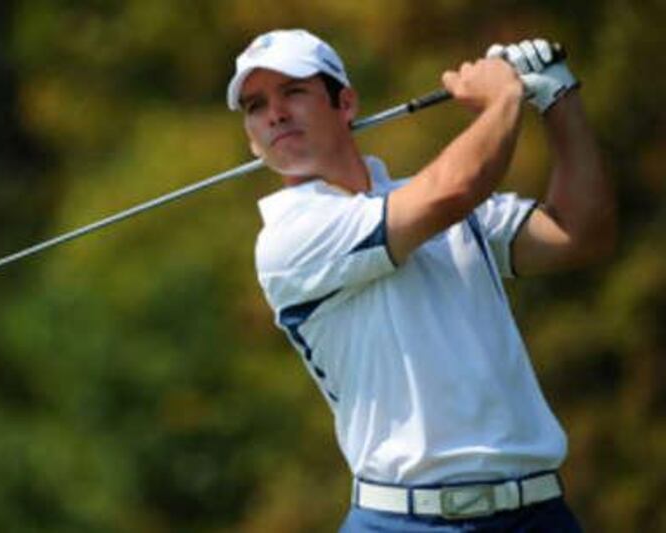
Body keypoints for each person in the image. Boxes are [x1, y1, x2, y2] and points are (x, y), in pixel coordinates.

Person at [226, 29, 616, 532]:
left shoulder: (431, 203)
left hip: (538, 516)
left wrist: (558, 97)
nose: (275, 113)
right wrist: (504, 99)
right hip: (400, 522)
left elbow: (579, 232)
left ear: (345, 104)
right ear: (252, 139)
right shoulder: (288, 240)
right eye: (256, 106)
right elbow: (453, 188)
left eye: (294, 92)